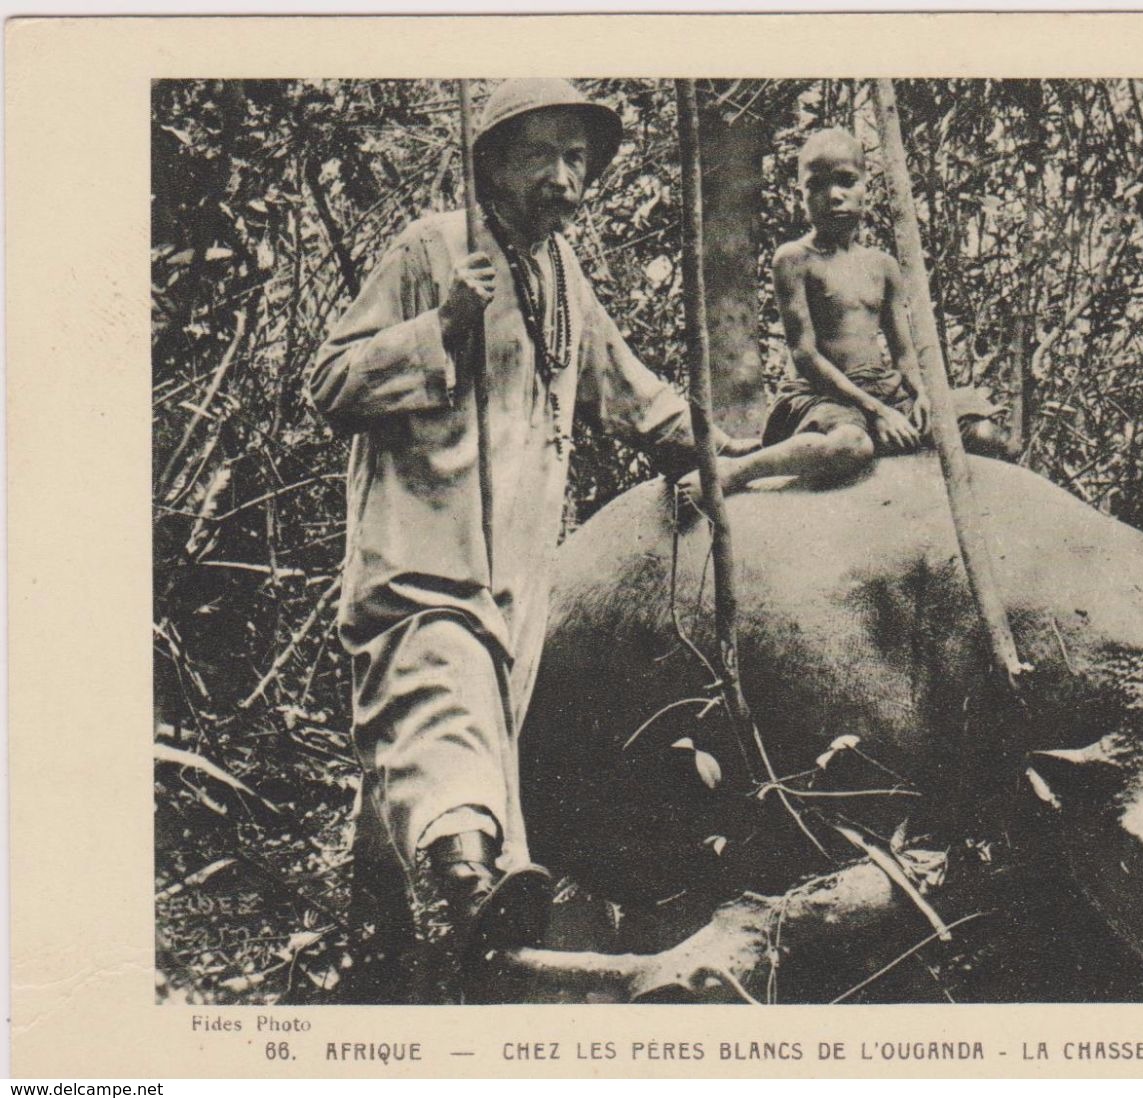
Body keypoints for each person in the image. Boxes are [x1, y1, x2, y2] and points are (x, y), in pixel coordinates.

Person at [308, 79, 749, 947]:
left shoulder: (558, 271)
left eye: (577, 159)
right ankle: (473, 886)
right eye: (541, 155)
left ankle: (398, 934)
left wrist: (703, 451)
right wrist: (442, 323)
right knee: (441, 702)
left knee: (467, 735)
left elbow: (619, 385)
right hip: (422, 548)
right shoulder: (432, 248)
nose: (563, 178)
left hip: (515, 559)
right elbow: (332, 384)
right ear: (493, 165)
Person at [677, 127, 1002, 507]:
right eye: (817, 186)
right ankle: (736, 471)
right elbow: (805, 356)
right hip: (821, 395)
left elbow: (903, 353)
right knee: (851, 446)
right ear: (802, 195)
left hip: (882, 387)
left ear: (867, 186)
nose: (834, 196)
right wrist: (876, 411)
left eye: (846, 181)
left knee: (982, 431)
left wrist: (922, 394)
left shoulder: (882, 266)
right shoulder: (794, 259)